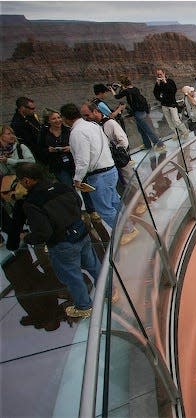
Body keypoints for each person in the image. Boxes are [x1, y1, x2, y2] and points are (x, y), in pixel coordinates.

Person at [17, 162, 102, 319]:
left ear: (27, 180)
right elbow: (77, 202)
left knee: (73, 277)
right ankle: (110, 291)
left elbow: (44, 232)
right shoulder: (62, 186)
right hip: (81, 233)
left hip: (63, 244)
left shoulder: (32, 202)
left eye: (20, 181)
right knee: (94, 265)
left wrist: (27, 237)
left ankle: (84, 307)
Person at [79, 102, 138, 245]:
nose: (86, 118)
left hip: (117, 160)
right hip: (109, 164)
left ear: (96, 112)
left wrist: (118, 152)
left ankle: (138, 201)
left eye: (87, 115)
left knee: (129, 180)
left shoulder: (109, 123)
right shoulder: (94, 128)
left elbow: (122, 140)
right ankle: (127, 219)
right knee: (116, 193)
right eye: (84, 116)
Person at [60, 103, 121, 229]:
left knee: (104, 208)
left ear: (66, 119)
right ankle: (128, 224)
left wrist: (77, 179)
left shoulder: (77, 132)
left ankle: (126, 231)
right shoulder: (93, 125)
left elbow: (83, 160)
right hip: (110, 169)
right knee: (115, 201)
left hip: (99, 176)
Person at [112, 77, 165, 151]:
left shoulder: (127, 91)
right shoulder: (135, 89)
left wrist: (112, 89)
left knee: (148, 130)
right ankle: (147, 145)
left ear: (123, 84)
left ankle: (160, 145)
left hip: (138, 113)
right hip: (142, 111)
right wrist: (122, 87)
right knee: (142, 130)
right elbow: (128, 91)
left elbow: (116, 97)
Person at [153, 69, 189, 141]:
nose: (159, 76)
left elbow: (173, 91)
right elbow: (155, 93)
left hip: (172, 104)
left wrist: (165, 82)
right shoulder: (158, 84)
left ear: (164, 73)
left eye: (160, 74)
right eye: (158, 75)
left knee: (176, 120)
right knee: (170, 122)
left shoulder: (170, 81)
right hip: (164, 105)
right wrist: (160, 98)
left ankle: (185, 131)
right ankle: (177, 133)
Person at [10, 97, 42, 162]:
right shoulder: (17, 123)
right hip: (32, 150)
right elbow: (28, 141)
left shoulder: (30, 115)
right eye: (32, 108)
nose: (34, 110)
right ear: (22, 108)